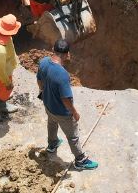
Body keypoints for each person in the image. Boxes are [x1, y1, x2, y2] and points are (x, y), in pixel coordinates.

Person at [37, 39, 98, 170]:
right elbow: (66, 99)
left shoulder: (43, 62)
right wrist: (74, 113)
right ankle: (80, 160)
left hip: (48, 105)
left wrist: (43, 92)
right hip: (62, 112)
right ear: (67, 54)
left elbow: (39, 81)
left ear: (53, 49)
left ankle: (52, 144)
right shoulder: (62, 74)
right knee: (73, 136)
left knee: (51, 123)